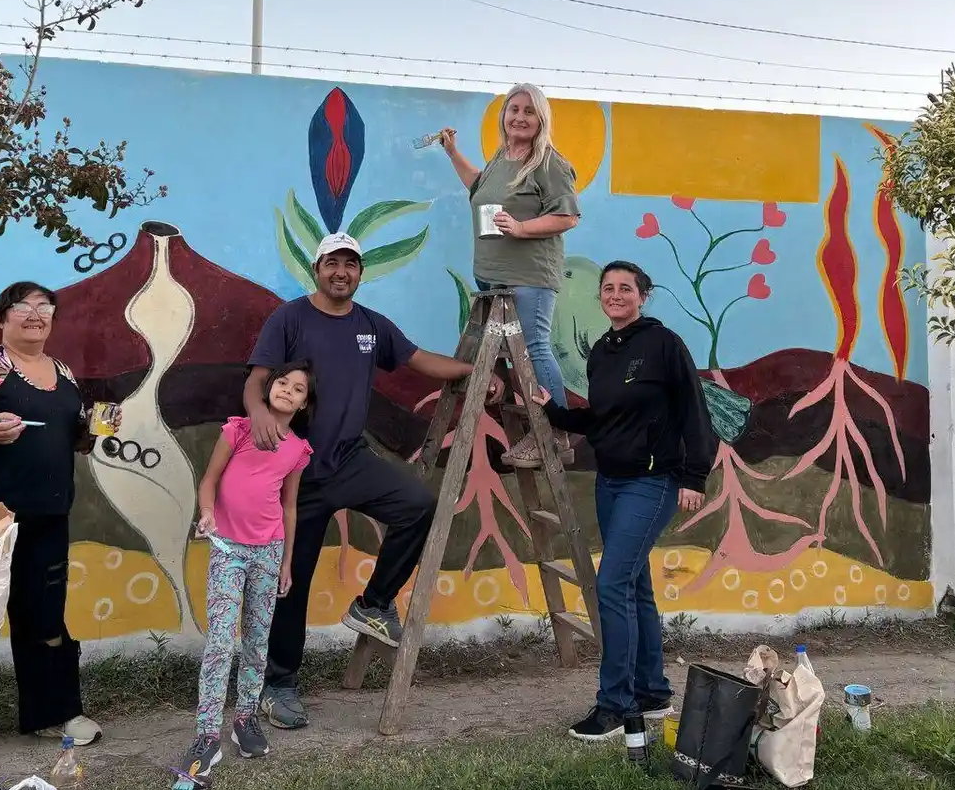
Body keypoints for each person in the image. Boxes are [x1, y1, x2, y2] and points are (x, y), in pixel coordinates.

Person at [243, 231, 501, 730]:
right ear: (317, 269)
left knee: (418, 508)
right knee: (287, 586)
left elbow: (420, 361)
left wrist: (475, 370)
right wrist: (257, 412)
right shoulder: (290, 317)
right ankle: (278, 684)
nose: (342, 272)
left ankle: (374, 603)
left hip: (350, 459)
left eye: (351, 264)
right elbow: (258, 376)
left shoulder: (370, 325)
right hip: (297, 472)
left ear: (360, 273)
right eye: (332, 263)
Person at [535, 260, 718, 742]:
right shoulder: (602, 351)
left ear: (643, 295)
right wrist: (553, 411)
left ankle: (615, 705)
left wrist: (695, 476)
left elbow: (694, 410)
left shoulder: (663, 345)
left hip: (653, 482)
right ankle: (653, 692)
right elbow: (603, 419)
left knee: (611, 583)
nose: (615, 295)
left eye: (625, 288)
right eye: (608, 288)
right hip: (610, 482)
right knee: (634, 586)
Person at [0, 281, 118, 750]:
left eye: (45, 307)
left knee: (44, 618)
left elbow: (69, 437)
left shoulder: (62, 372)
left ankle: (52, 713)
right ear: (2, 318)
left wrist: (92, 432)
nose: (36, 314)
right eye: (24, 307)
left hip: (46, 515)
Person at [172, 362, 315, 788]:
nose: (288, 391)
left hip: (269, 553)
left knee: (257, 640)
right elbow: (209, 480)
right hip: (228, 550)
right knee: (220, 640)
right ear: (269, 389)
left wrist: (287, 561)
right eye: (283, 383)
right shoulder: (237, 430)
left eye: (298, 389)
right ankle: (206, 736)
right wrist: (208, 514)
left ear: (305, 404)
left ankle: (246, 720)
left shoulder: (298, 451)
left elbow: (289, 508)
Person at [437, 82, 580, 468]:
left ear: (541, 119)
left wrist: (521, 228)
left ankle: (556, 431)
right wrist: (453, 153)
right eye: (513, 109)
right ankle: (533, 427)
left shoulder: (548, 162)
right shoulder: (501, 159)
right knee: (507, 356)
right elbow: (478, 188)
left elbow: (567, 215)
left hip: (528, 276)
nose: (519, 117)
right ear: (504, 116)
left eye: (528, 111)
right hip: (491, 278)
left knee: (535, 349)